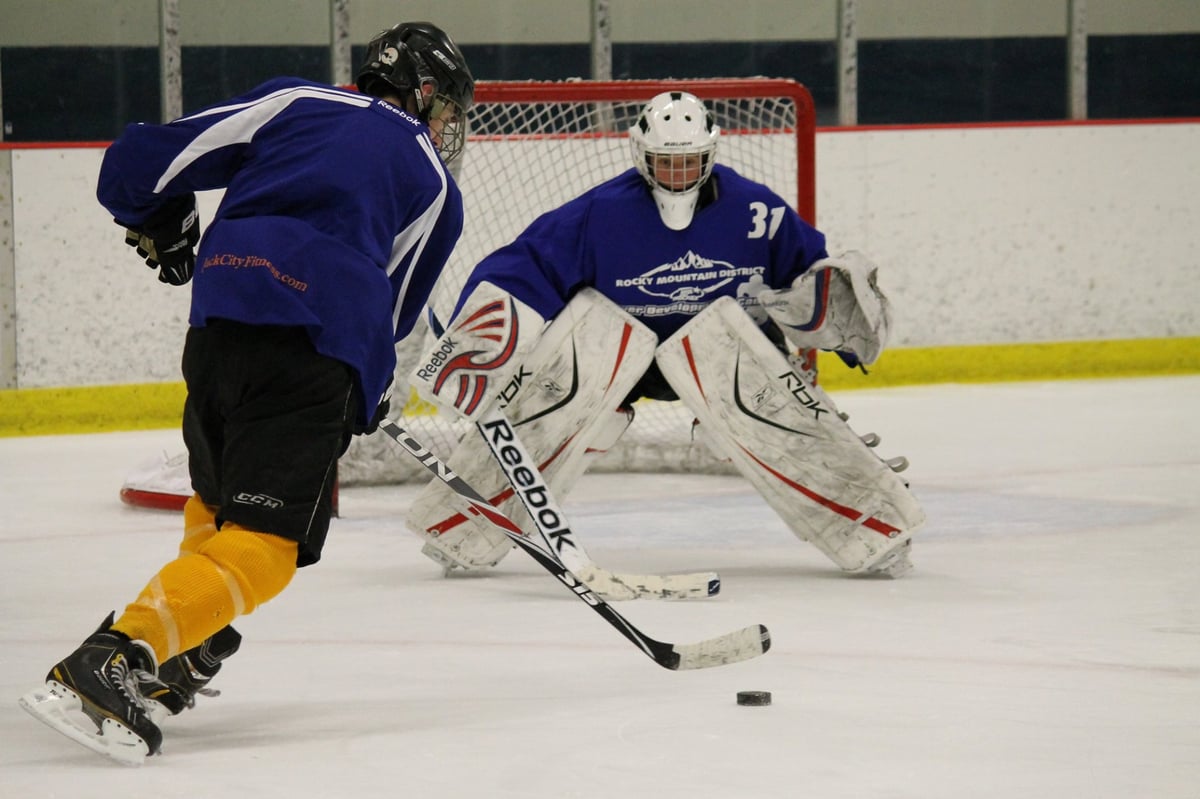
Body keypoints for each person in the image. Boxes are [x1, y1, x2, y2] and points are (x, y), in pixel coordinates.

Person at [19, 22, 474, 764]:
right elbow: (390, 323)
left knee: (222, 506)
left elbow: (136, 161)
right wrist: (366, 400)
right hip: (316, 344)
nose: (448, 126)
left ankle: (182, 645)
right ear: (424, 94)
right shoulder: (434, 186)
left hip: (220, 321)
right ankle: (114, 658)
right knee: (267, 545)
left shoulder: (293, 100)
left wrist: (162, 222)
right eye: (448, 109)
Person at [407, 90, 920, 580]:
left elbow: (810, 272)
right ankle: (462, 528)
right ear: (641, 154)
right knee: (569, 387)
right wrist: (474, 346)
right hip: (615, 355)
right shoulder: (599, 214)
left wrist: (833, 312)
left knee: (753, 418)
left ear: (710, 153)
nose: (678, 174)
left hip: (724, 355)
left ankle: (873, 528)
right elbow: (524, 268)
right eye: (667, 162)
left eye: (690, 161)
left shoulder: (756, 212)